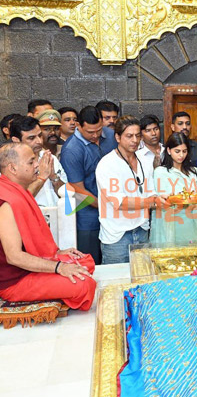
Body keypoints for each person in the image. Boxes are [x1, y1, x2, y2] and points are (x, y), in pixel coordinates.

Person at [0, 143, 96, 311]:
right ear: (13, 168)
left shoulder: (16, 191)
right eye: (31, 162)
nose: (37, 164)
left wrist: (56, 253)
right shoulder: (6, 202)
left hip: (27, 270)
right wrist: (59, 267)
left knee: (85, 263)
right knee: (84, 283)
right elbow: (14, 257)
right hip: (16, 281)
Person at [96, 116, 167, 264]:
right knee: (115, 282)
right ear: (117, 137)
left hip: (141, 230)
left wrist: (164, 199)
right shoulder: (107, 164)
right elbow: (119, 203)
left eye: (137, 136)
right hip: (117, 236)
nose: (135, 140)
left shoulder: (144, 161)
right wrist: (153, 201)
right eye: (129, 136)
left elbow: (151, 191)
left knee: (142, 279)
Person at [60, 106, 117, 264]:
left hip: (116, 211)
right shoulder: (71, 150)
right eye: (90, 132)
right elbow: (77, 190)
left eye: (99, 130)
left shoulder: (112, 136)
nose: (95, 135)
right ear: (78, 126)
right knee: (92, 262)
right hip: (88, 216)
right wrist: (106, 207)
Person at [151, 133, 197, 245]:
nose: (181, 155)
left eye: (184, 151)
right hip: (170, 223)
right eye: (177, 151)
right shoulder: (161, 172)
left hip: (192, 223)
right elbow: (159, 200)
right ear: (168, 150)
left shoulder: (195, 173)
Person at [10, 116, 67, 208]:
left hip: (56, 217)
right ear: (16, 140)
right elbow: (18, 200)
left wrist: (54, 178)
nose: (39, 141)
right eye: (31, 138)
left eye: (40, 135)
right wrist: (41, 178)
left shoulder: (50, 157)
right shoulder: (9, 165)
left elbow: (66, 195)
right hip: (31, 218)